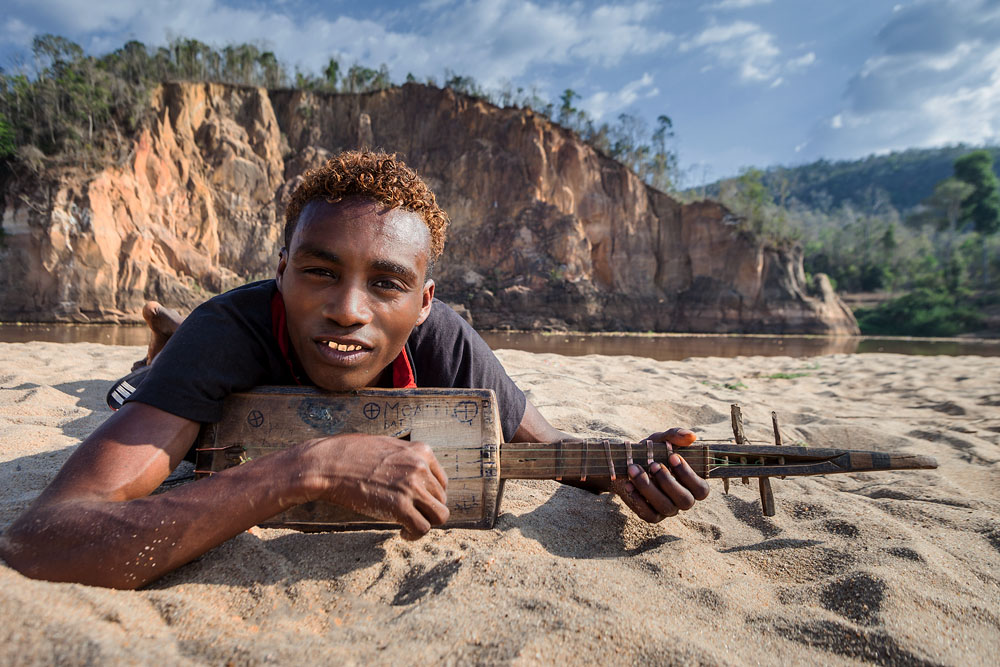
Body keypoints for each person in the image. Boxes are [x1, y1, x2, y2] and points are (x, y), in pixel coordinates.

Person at [0, 151, 708, 589]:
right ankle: (166, 345)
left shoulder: (446, 340)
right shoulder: (230, 330)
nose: (347, 310)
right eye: (319, 272)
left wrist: (632, 467)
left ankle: (166, 341)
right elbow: (42, 540)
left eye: (387, 285)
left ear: (424, 303)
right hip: (203, 350)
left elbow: (553, 450)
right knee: (130, 389)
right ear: (282, 272)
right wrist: (308, 468)